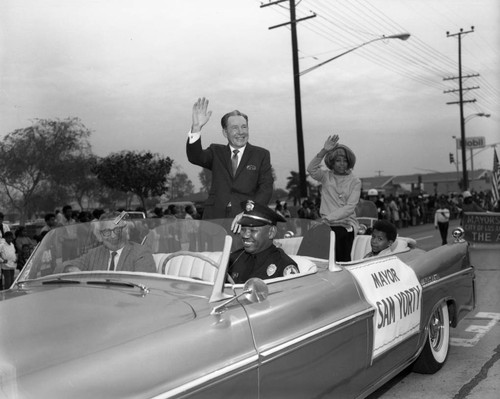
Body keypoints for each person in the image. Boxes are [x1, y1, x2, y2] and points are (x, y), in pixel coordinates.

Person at [186, 97, 273, 219]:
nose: (240, 132)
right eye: (234, 128)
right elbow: (195, 157)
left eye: (244, 127)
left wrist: (249, 212)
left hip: (244, 220)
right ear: (225, 133)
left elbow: (266, 189)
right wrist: (196, 128)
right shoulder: (216, 152)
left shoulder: (261, 155)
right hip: (215, 219)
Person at [307, 134, 361, 262]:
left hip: (346, 223)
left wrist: (327, 219)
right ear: (332, 162)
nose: (342, 164)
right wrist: (324, 150)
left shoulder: (355, 181)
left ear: (349, 162)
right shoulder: (325, 176)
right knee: (311, 238)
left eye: (345, 160)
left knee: (339, 236)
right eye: (338, 160)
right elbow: (311, 169)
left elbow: (349, 207)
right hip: (326, 223)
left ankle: (344, 271)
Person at [228, 201, 299, 284]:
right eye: (243, 229)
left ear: (271, 232)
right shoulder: (234, 259)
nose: (245, 235)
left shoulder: (284, 266)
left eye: (253, 230)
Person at [64, 211, 156, 273]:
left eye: (117, 230)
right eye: (106, 232)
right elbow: (63, 266)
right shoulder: (94, 254)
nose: (112, 236)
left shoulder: (141, 253)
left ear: (126, 231)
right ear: (100, 235)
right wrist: (70, 268)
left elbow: (142, 286)